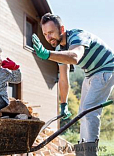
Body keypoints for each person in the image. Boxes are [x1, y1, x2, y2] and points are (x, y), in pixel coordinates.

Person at [32, 13, 114, 155]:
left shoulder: (77, 36)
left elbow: (75, 56)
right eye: (45, 34)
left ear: (62, 28)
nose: (48, 37)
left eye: (51, 33)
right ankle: (82, 152)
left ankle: (90, 153)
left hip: (106, 69)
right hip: (91, 74)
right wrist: (63, 104)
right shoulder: (59, 50)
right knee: (82, 114)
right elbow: (63, 79)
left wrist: (46, 54)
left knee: (89, 110)